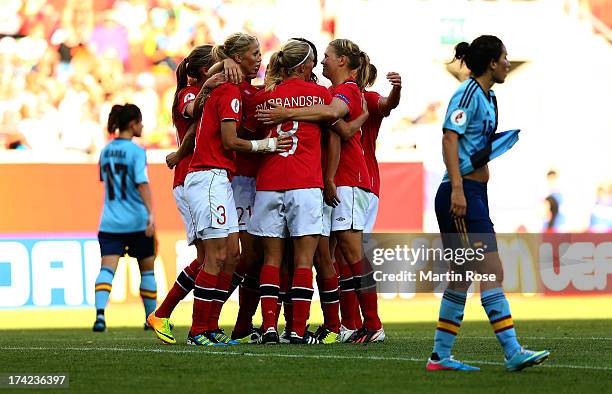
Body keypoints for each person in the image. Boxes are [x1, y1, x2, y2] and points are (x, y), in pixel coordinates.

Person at [426, 35, 549, 371]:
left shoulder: (488, 97)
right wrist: (457, 189)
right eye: (505, 57)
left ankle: (440, 357)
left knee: (462, 276)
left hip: (473, 193)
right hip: (461, 194)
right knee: (491, 270)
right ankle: (512, 352)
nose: (509, 62)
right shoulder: (467, 93)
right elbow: (449, 137)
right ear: (492, 62)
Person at [257, 38, 384, 343]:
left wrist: (286, 114)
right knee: (324, 258)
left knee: (345, 253)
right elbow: (341, 129)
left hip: (340, 181)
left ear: (341, 61)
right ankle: (334, 325)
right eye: (318, 57)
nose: (322, 62)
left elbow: (340, 123)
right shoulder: (322, 95)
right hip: (318, 182)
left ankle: (365, 324)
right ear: (305, 64)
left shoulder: (271, 94)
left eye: (326, 56)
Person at [184, 32, 291, 347]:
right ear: (239, 58)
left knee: (232, 255)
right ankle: (196, 331)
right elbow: (231, 141)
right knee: (216, 258)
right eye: (254, 53)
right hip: (208, 176)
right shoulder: (229, 91)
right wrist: (268, 144)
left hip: (220, 178)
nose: (259, 58)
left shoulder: (225, 86)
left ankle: (210, 326)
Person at [145, 45, 229, 344]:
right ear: (205, 71)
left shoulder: (205, 89)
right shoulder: (189, 94)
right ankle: (185, 322)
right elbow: (196, 114)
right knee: (211, 257)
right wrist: (180, 153)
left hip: (205, 177)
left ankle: (204, 324)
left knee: (225, 255)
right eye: (219, 64)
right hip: (191, 178)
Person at [92, 103, 156, 332]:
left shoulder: (105, 150)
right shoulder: (137, 151)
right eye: (140, 122)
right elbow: (142, 183)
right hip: (136, 220)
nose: (142, 126)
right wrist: (150, 214)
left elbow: (104, 179)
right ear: (132, 124)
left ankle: (100, 315)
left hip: (110, 221)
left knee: (106, 270)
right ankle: (150, 319)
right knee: (147, 270)